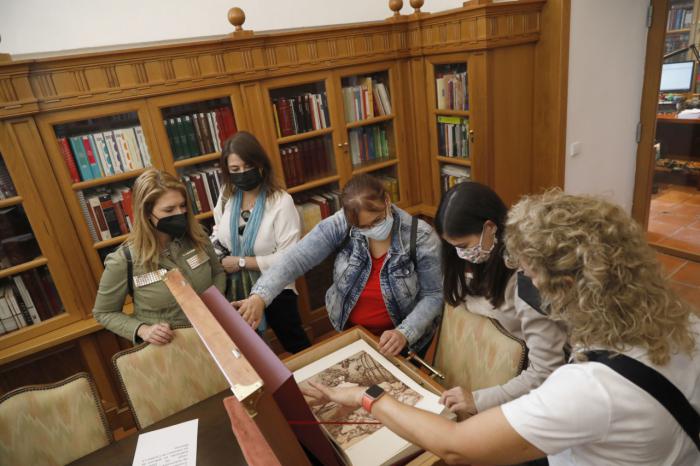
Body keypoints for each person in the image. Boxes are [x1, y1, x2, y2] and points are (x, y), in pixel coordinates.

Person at [306, 189, 699, 465]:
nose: (527, 287)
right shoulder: (686, 322)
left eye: (529, 275)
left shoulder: (589, 388)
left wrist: (364, 395)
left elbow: (456, 445)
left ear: (563, 287)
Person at [234, 174, 443, 356]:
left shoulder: (422, 237)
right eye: (363, 227)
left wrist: (404, 332)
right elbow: (297, 258)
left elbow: (434, 295)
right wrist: (260, 295)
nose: (373, 229)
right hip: (353, 331)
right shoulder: (341, 224)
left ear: (387, 201)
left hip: (402, 338)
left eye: (378, 220)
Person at [434, 182, 568, 418]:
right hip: (486, 372)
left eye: (463, 246)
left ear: (490, 228)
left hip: (524, 384)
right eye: (452, 247)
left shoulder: (528, 277)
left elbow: (546, 370)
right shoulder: (466, 257)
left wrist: (478, 400)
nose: (460, 254)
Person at [93, 169, 226, 344]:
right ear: (147, 213)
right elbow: (104, 312)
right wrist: (143, 330)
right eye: (169, 209)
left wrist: (214, 303)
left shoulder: (198, 236)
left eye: (182, 206)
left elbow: (218, 272)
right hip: (170, 348)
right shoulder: (123, 260)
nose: (179, 213)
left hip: (214, 333)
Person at [210, 131, 310, 354]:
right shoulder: (227, 194)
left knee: (295, 343)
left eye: (247, 166)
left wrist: (242, 262)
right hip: (234, 285)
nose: (242, 174)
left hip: (276, 286)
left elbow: (290, 257)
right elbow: (218, 231)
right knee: (248, 349)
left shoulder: (281, 201)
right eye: (235, 170)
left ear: (261, 164)